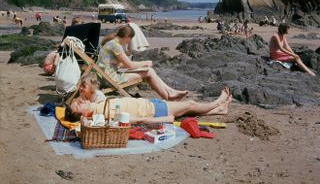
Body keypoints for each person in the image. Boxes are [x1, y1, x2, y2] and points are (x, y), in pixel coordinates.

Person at [66, 78, 232, 124]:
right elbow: (137, 120)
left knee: (189, 110)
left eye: (78, 101)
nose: (80, 101)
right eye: (79, 106)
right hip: (155, 111)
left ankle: (219, 110)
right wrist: (163, 120)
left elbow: (93, 94)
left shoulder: (98, 104)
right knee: (190, 105)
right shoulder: (104, 115)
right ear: (84, 115)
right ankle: (218, 102)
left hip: (151, 104)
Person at [97, 25, 188, 100]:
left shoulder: (110, 43)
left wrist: (132, 65)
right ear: (127, 37)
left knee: (149, 71)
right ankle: (169, 95)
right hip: (111, 79)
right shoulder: (115, 45)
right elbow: (130, 64)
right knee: (149, 72)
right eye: (130, 40)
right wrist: (146, 62)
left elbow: (117, 64)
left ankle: (170, 93)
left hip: (106, 76)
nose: (129, 42)